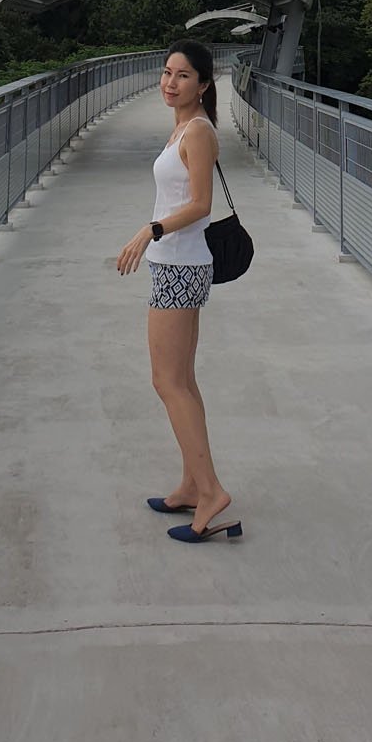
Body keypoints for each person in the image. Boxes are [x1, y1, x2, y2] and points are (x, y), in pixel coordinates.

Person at [116, 40, 242, 543]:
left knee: (167, 382)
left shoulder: (200, 132)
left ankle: (210, 491)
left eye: (183, 75)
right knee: (182, 381)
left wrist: (150, 230)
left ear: (205, 84)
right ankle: (192, 483)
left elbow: (201, 204)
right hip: (178, 266)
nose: (171, 82)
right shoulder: (183, 129)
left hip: (179, 268)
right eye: (167, 72)